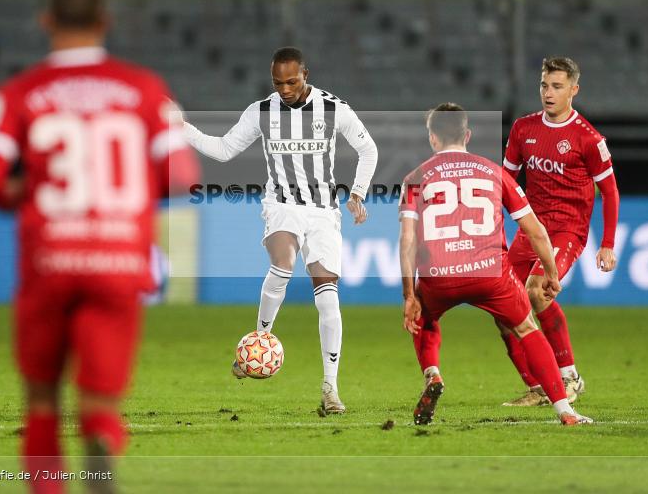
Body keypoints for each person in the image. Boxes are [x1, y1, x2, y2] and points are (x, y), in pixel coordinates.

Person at [0, 0, 200, 494]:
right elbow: (182, 177)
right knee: (98, 398)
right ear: (105, 21)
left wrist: (23, 194)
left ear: (46, 21)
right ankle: (98, 437)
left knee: (43, 398)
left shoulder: (17, 93)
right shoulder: (145, 89)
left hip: (49, 259)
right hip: (118, 260)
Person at [182, 47, 378, 414]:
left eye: (292, 81)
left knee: (327, 297)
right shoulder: (261, 111)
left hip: (323, 211)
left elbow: (368, 151)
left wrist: (357, 194)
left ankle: (330, 389)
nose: (285, 89)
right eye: (278, 82)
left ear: (305, 73)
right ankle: (259, 341)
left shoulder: (334, 109)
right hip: (281, 205)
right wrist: (185, 129)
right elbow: (224, 150)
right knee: (283, 265)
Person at [399, 102, 592, 426]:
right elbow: (536, 231)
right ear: (468, 135)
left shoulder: (414, 179)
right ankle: (565, 411)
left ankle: (433, 374)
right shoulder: (494, 171)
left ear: (432, 138)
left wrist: (409, 295)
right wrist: (552, 273)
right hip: (490, 273)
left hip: (439, 277)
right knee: (527, 328)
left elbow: (407, 241)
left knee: (425, 320)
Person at [498, 56, 620, 407]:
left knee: (538, 292)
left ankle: (569, 377)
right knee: (503, 309)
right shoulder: (523, 129)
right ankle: (539, 385)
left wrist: (607, 244)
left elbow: (610, 191)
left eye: (557, 86)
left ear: (573, 90)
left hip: (568, 230)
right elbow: (506, 181)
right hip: (531, 230)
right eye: (544, 85)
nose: (548, 93)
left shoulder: (588, 138)